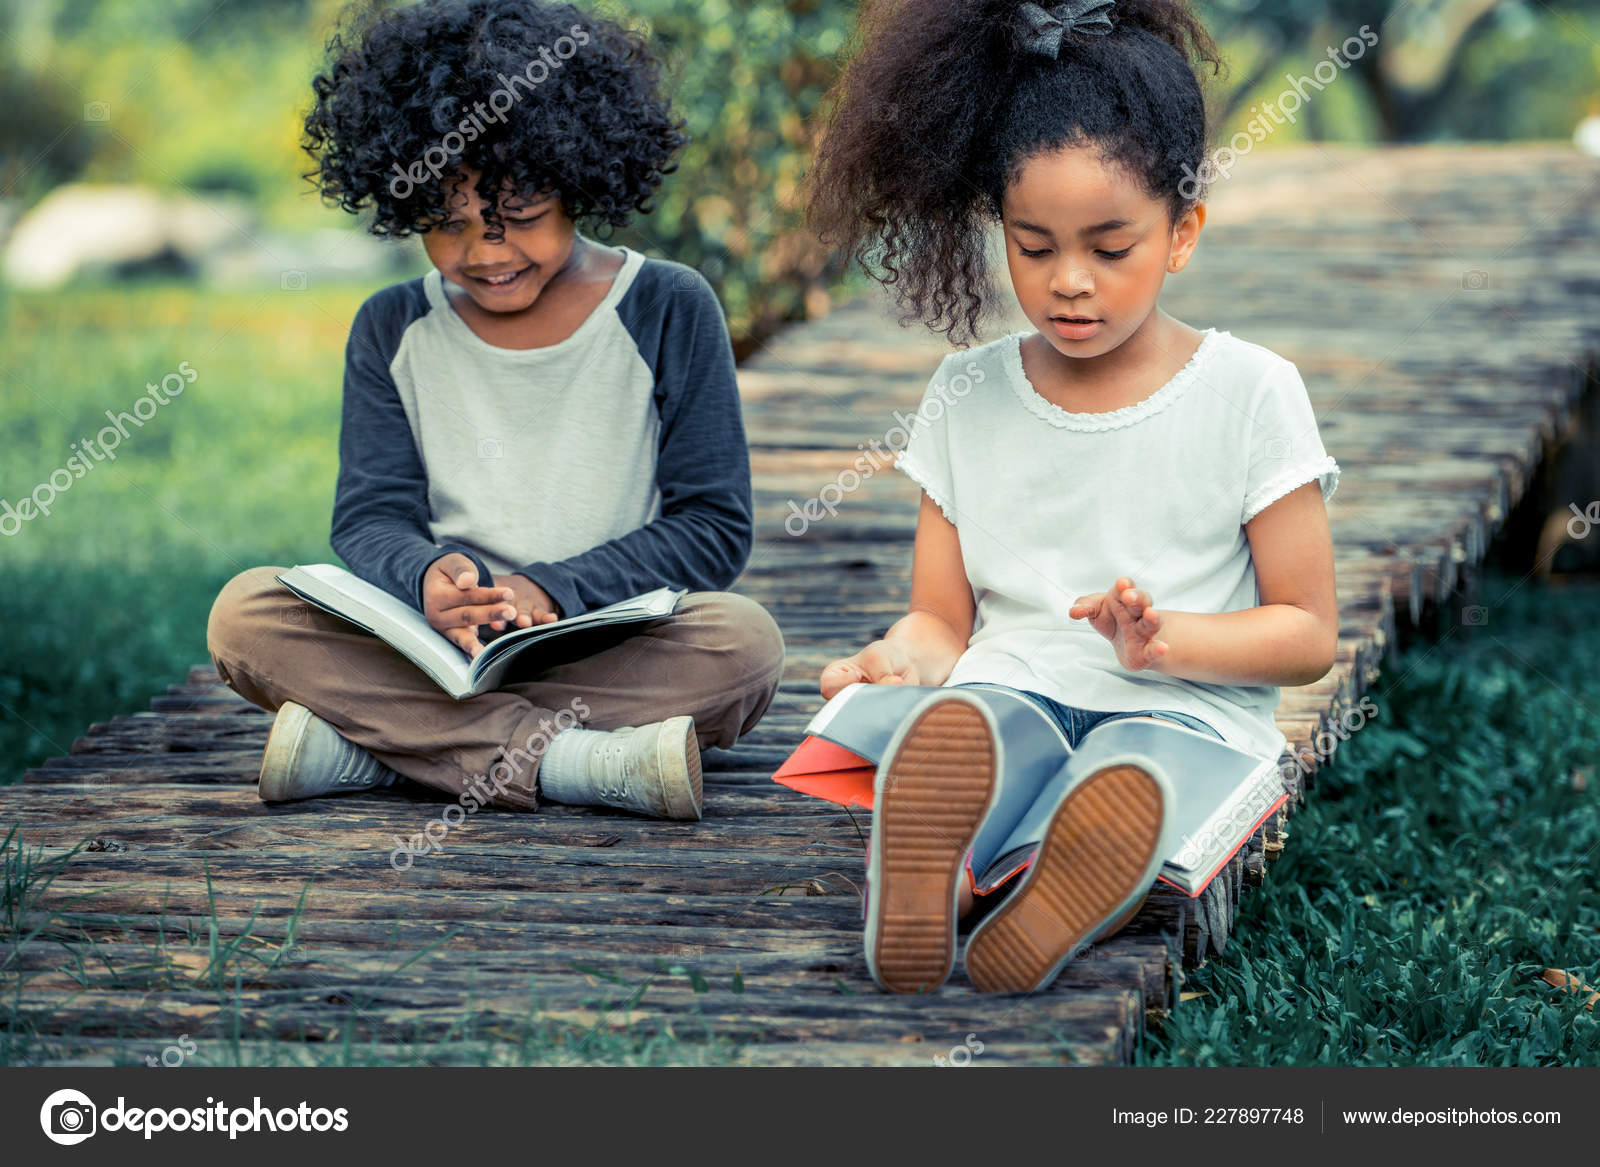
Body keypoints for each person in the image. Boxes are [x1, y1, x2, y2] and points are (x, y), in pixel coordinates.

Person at [803, 0, 1340, 993]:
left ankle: (1034, 878)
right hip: (1013, 688)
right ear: (995, 226)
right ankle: (956, 859)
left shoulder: (1250, 391)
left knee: (1130, 770)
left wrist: (1164, 640)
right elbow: (940, 619)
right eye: (1033, 246)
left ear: (1182, 235)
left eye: (1110, 245)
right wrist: (896, 656)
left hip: (1184, 707)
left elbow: (1307, 634)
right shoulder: (965, 392)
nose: (1069, 284)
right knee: (983, 724)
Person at [206, 0, 784, 821]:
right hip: (436, 650)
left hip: (605, 645)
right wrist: (428, 574)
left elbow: (713, 525)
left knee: (744, 645)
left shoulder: (666, 305)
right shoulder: (391, 328)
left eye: (520, 219)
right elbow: (371, 515)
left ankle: (382, 749)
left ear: (581, 183)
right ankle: (576, 761)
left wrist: (554, 590)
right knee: (243, 614)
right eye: (449, 226)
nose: (488, 252)